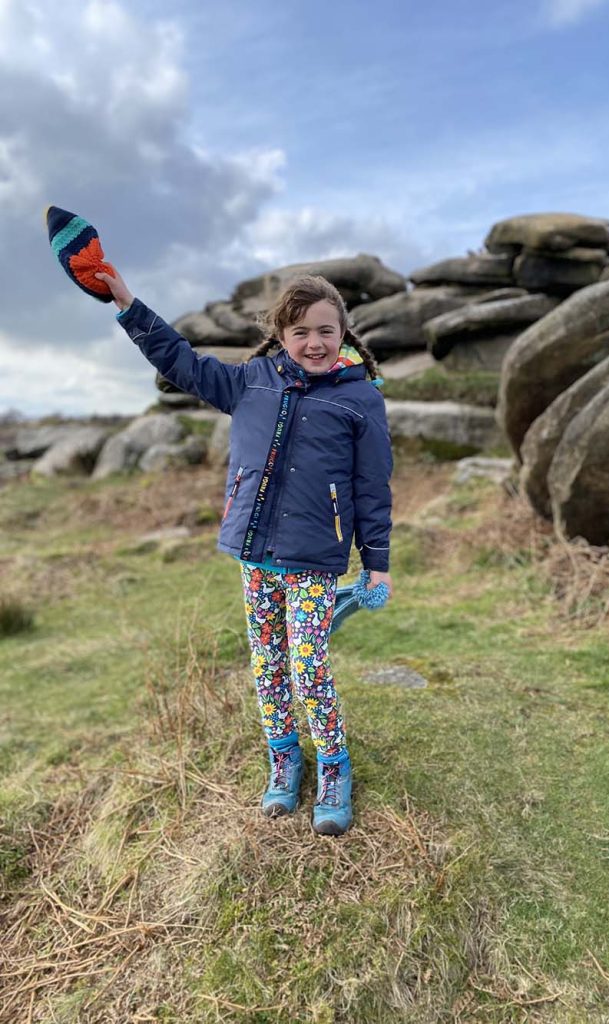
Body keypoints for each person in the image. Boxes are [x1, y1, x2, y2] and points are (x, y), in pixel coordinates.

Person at [95, 268, 394, 836]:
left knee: (309, 668)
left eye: (326, 330)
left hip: (315, 561)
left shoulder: (360, 401)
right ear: (281, 334)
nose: (314, 342)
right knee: (267, 664)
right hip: (256, 557)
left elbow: (373, 488)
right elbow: (180, 360)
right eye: (301, 331)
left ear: (345, 334)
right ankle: (285, 758)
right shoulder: (251, 381)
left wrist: (376, 563)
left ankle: (333, 764)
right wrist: (126, 302)